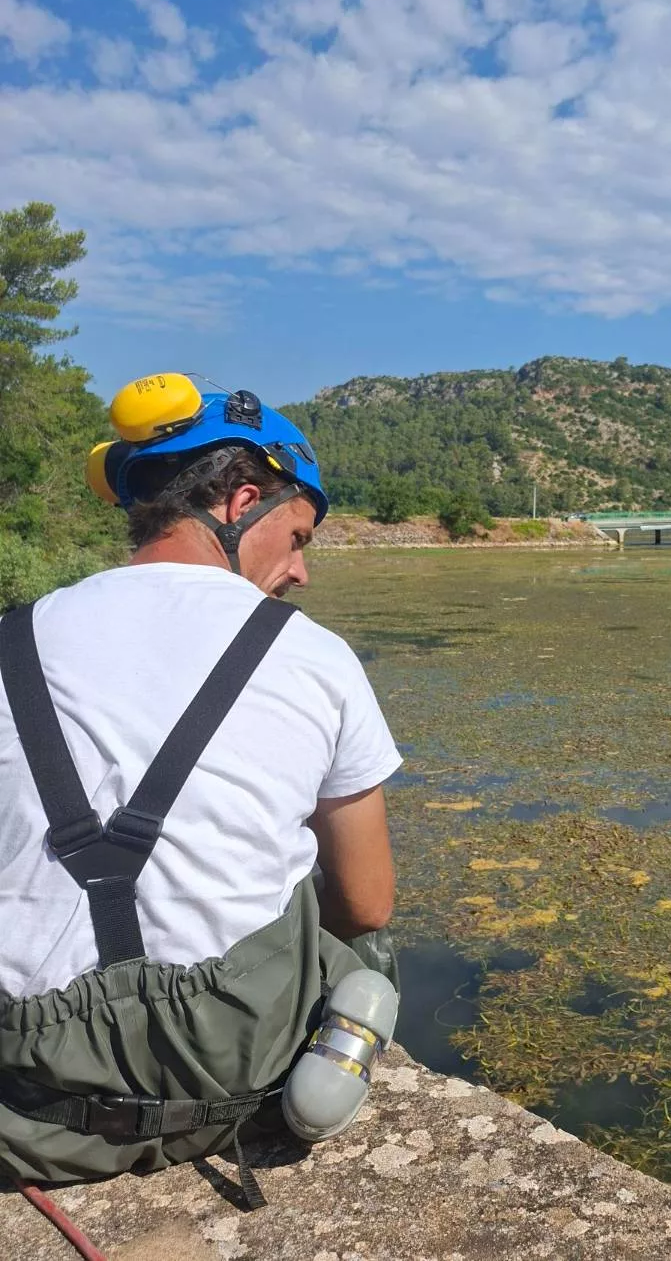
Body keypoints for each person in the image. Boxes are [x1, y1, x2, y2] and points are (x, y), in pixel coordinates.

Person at [0, 374, 401, 1200]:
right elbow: (366, 904)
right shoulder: (313, 656)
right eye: (297, 537)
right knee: (358, 937)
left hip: (23, 1101)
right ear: (239, 501)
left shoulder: (10, 640)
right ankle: (313, 1091)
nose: (300, 572)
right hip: (225, 1087)